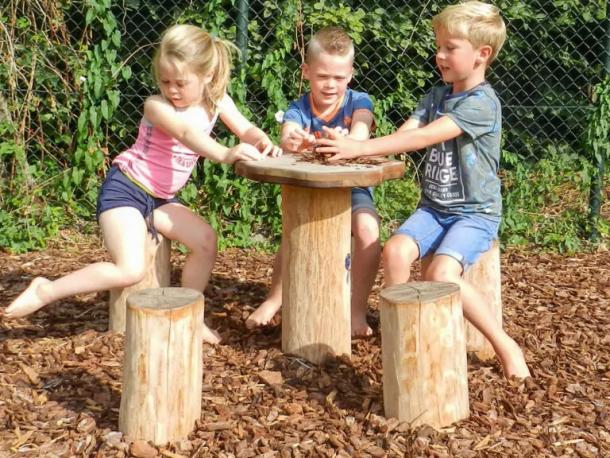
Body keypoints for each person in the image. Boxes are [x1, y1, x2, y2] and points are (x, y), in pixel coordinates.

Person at [4, 24, 281, 344]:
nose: (172, 90)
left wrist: (263, 143)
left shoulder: (218, 101)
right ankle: (45, 289)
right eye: (165, 81)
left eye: (181, 83)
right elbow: (188, 136)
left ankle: (189, 314)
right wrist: (226, 153)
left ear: (207, 75)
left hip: (161, 200)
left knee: (206, 240)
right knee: (130, 269)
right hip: (125, 191)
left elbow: (248, 130)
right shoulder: (157, 106)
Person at [316, 2, 530, 378]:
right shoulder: (435, 96)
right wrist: (349, 141)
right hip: (433, 208)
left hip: (474, 214)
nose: (440, 54)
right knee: (396, 252)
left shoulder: (481, 103)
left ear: (482, 55)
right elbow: (404, 135)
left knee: (441, 274)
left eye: (450, 47)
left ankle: (504, 344)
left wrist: (359, 148)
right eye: (439, 45)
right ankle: (400, 331)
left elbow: (424, 138)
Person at [245, 26, 380, 337]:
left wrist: (349, 141)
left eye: (338, 77)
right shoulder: (298, 108)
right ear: (306, 72)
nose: (331, 84)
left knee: (368, 230)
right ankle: (274, 298)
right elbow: (288, 136)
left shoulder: (359, 102)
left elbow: (360, 131)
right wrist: (294, 140)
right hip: (308, 191)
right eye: (323, 76)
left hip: (351, 188)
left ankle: (356, 309)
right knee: (293, 232)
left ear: (351, 74)